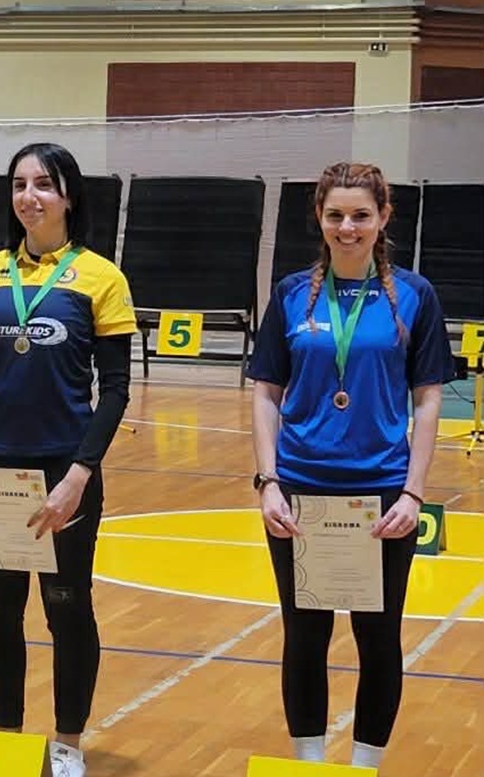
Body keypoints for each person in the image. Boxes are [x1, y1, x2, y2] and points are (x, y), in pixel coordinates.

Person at [247, 162, 454, 770]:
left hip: (382, 496)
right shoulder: (290, 294)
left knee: (378, 637)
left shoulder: (415, 296)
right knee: (304, 637)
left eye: (361, 215)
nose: (347, 227)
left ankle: (364, 767)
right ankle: (308, 763)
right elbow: (265, 392)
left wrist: (413, 493)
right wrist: (269, 481)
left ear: (383, 217)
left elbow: (428, 399)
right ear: (319, 217)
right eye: (335, 214)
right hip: (300, 495)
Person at [0, 142, 137, 777]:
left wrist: (80, 474)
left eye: (44, 184)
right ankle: (8, 741)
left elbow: (116, 390)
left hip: (63, 474)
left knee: (66, 608)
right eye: (20, 184)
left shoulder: (101, 278)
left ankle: (66, 745)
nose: (30, 196)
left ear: (69, 196)